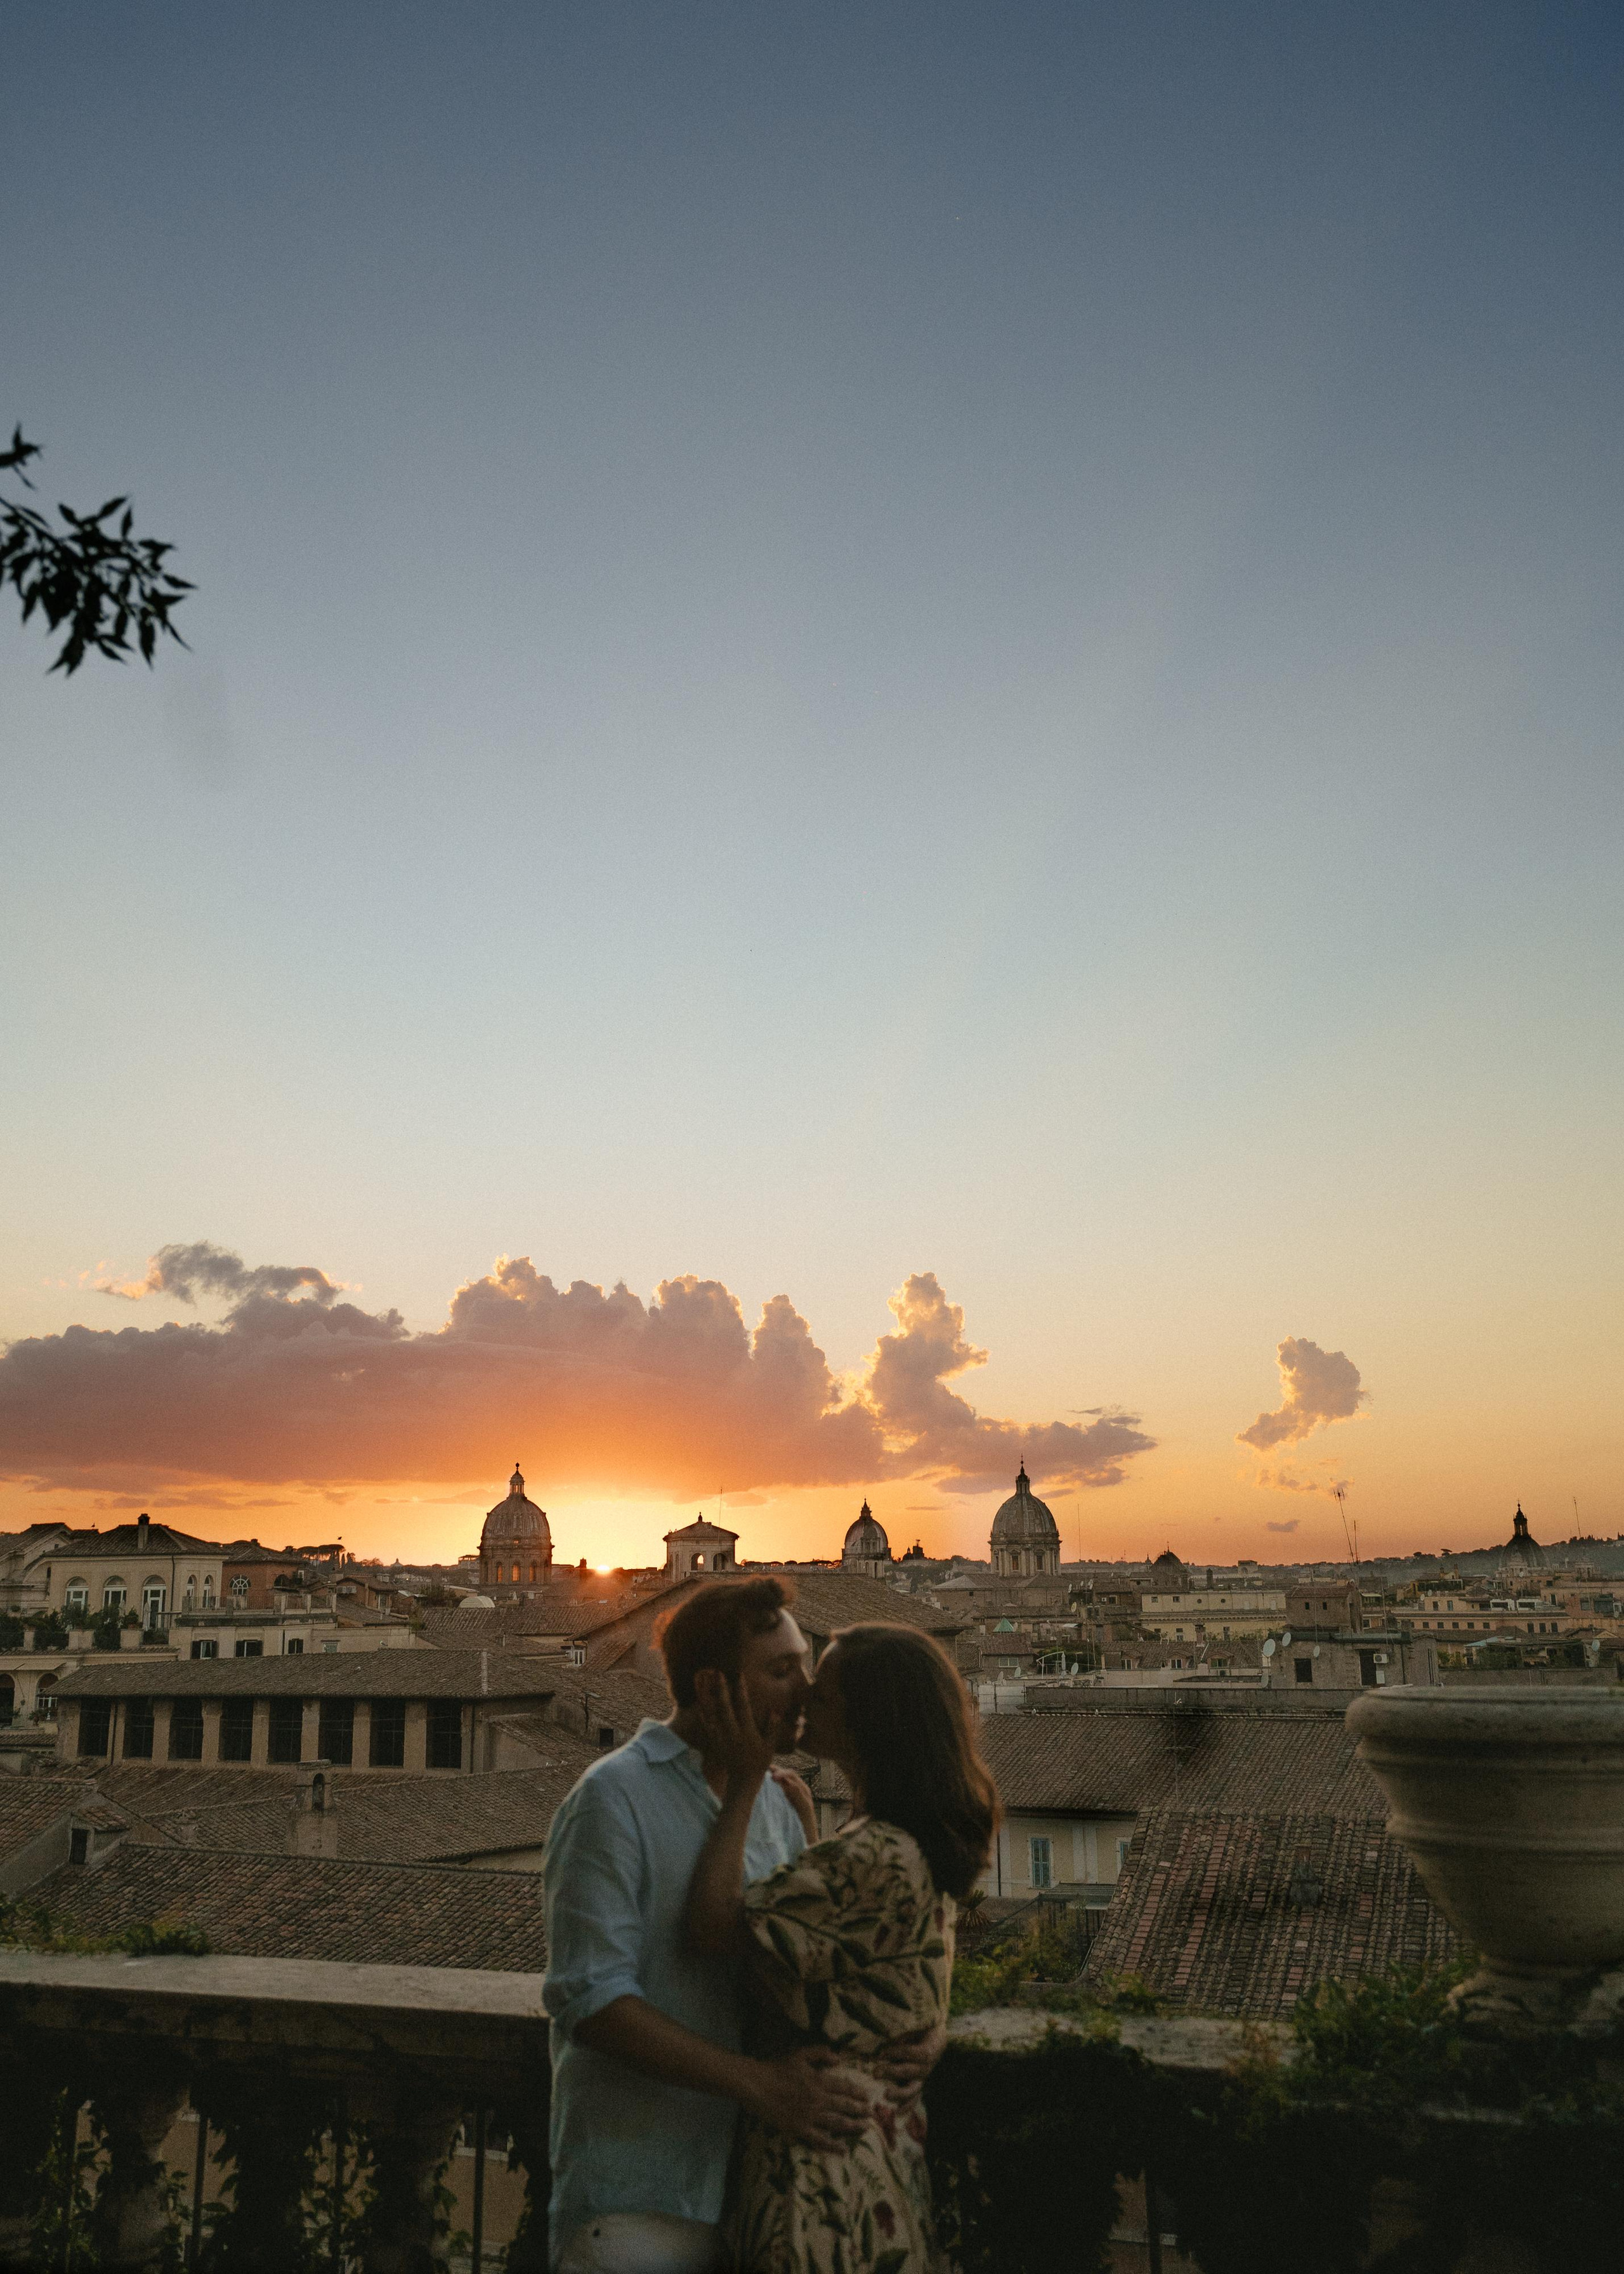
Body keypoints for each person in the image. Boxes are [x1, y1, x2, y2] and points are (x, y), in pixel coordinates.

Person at [542, 1578, 938, 2274]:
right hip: (640, 2202)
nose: (807, 1689)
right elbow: (591, 2002)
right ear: (713, 1686)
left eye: (806, 1665)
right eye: (783, 1669)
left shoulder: (777, 1804)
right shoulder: (611, 1798)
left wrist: (919, 2026)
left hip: (754, 2195)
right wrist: (760, 2084)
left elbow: (809, 1968)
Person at [685, 1622, 999, 2274]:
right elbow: (882, 1958)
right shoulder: (906, 1833)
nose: (801, 1697)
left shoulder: (874, 1850)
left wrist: (744, 1781)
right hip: (879, 2152)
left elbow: (713, 1927)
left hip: (823, 2176)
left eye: (821, 1694)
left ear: (867, 1721)